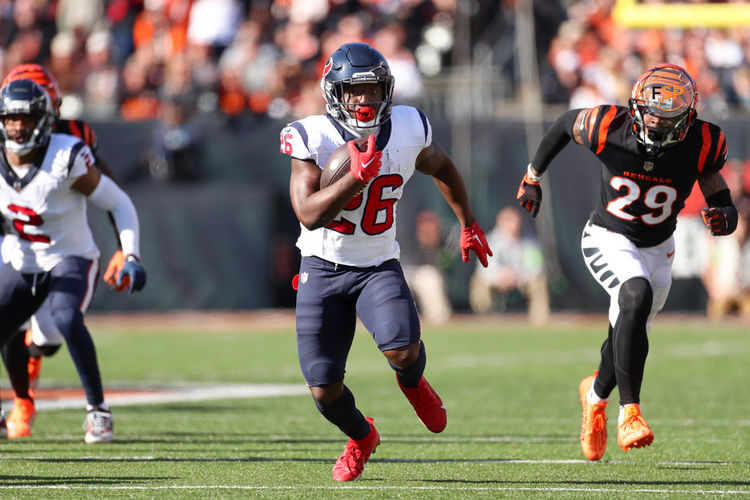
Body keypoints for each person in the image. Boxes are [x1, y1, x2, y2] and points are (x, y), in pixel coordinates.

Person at [280, 42, 492, 481]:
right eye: (355, 92)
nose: (365, 100)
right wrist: (355, 179)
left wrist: (468, 222)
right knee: (323, 389)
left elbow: (443, 167)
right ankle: (362, 437)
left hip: (377, 264)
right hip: (321, 267)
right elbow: (308, 213)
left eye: (374, 90)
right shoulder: (312, 136)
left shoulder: (410, 126)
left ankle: (413, 383)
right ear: (334, 92)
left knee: (402, 348)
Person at [516, 63, 737, 461]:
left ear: (688, 117)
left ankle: (595, 397)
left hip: (659, 247)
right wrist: (533, 175)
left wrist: (725, 208)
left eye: (670, 116)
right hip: (608, 236)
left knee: (627, 331)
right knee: (635, 295)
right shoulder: (607, 125)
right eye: (653, 112)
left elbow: (712, 181)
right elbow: (566, 124)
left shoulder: (704, 142)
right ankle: (629, 413)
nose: (658, 123)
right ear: (636, 106)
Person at [0, 79, 147, 443]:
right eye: (11, 118)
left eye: (27, 117)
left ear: (46, 120)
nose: (18, 126)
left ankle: (98, 411)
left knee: (65, 318)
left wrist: (130, 253)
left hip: (71, 258)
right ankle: (17, 404)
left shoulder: (65, 157)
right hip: (22, 262)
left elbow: (118, 202)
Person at [469, 206, 549, 324]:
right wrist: (500, 276)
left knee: (538, 281)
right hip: (497, 279)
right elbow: (484, 268)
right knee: (479, 282)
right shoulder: (490, 240)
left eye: (513, 221)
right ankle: (484, 319)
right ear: (499, 222)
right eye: (506, 221)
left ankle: (540, 320)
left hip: (520, 279)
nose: (511, 225)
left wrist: (517, 276)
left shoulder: (529, 240)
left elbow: (536, 267)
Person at [402, 210, 455, 325]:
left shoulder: (444, 242)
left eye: (431, 226)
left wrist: (431, 245)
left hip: (430, 277)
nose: (428, 230)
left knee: (428, 277)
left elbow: (446, 265)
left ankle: (438, 320)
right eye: (425, 226)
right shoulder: (410, 240)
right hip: (409, 273)